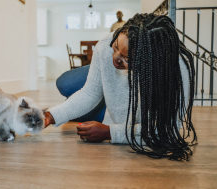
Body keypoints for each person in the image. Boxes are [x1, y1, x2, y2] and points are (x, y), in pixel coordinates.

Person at [44, 13, 197, 161]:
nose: (115, 58)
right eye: (116, 47)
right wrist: (51, 116)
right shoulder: (105, 45)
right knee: (65, 84)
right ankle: (102, 103)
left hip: (124, 116)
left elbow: (167, 130)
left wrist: (110, 132)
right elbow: (90, 93)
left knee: (82, 115)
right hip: (115, 105)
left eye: (126, 58)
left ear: (150, 61)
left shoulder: (177, 68)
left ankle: (102, 107)